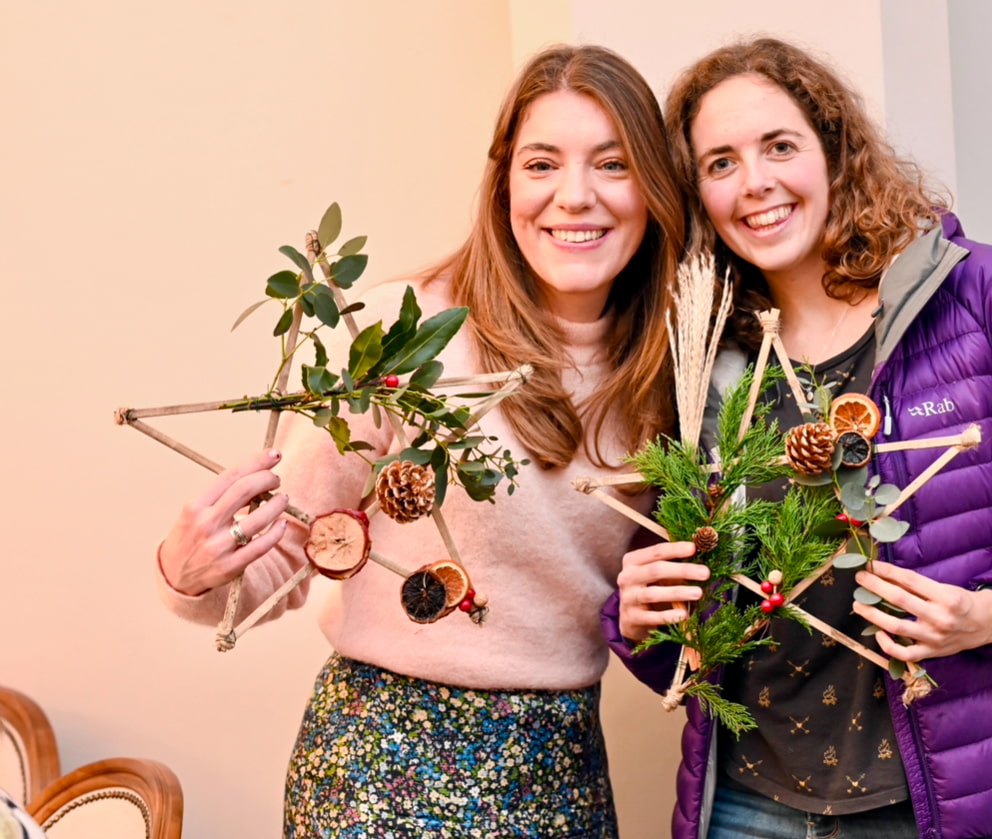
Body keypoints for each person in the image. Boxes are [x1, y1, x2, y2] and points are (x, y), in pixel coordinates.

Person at [604, 37, 992, 839]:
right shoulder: (694, 355)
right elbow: (690, 644)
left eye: (778, 146)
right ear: (694, 193)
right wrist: (640, 621)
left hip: (942, 802)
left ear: (833, 149)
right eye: (719, 163)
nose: (755, 183)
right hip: (748, 804)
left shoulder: (985, 298)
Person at [155, 44, 684, 837]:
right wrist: (188, 572)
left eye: (612, 164)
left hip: (562, 764)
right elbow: (293, 543)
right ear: (504, 181)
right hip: (382, 760)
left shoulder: (678, 367)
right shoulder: (405, 335)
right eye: (542, 164)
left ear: (654, 187)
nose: (574, 197)